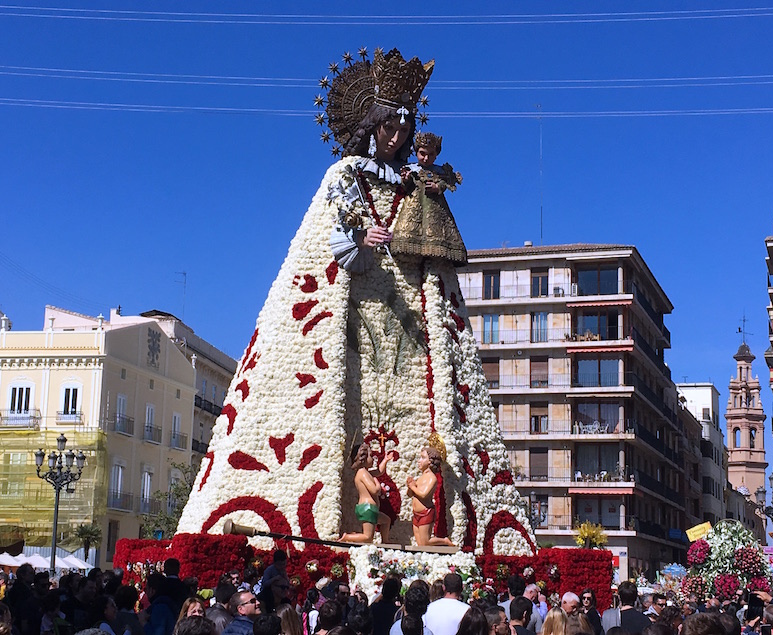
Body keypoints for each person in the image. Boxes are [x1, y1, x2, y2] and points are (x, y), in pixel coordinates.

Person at [174, 47, 537, 554]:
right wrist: (356, 242)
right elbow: (328, 237)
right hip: (349, 305)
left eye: (404, 132)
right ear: (371, 123)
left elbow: (430, 231)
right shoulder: (343, 175)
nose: (397, 139)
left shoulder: (412, 181)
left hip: (409, 313)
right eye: (390, 128)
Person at [392, 131, 466, 265]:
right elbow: (405, 187)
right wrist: (406, 180)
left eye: (430, 154)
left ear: (436, 155)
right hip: (414, 205)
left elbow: (446, 183)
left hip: (435, 206)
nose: (426, 158)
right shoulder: (410, 168)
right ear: (416, 152)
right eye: (422, 154)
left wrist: (438, 187)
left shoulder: (440, 171)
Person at [339, 444, 394, 544]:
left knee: (386, 520)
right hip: (367, 508)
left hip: (371, 508)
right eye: (371, 456)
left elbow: (380, 471)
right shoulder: (362, 473)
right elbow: (375, 490)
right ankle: (347, 536)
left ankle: (385, 541)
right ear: (363, 458)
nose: (373, 458)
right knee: (368, 537)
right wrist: (377, 483)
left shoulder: (366, 472)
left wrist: (385, 460)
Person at [405, 447, 454, 546]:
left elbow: (424, 494)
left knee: (426, 542)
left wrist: (413, 487)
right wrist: (410, 486)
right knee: (420, 545)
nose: (419, 461)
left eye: (423, 458)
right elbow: (410, 494)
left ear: (430, 462)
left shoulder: (432, 478)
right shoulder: (420, 478)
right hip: (416, 513)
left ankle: (444, 541)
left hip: (425, 513)